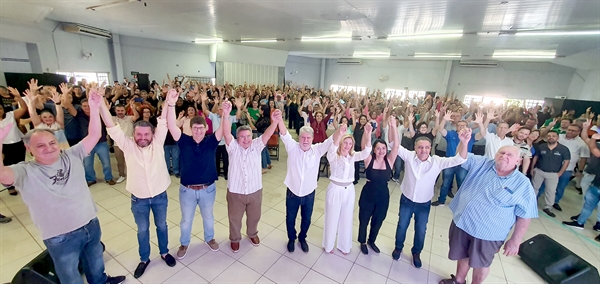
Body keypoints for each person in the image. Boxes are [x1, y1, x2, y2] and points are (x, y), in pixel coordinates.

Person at [0, 87, 125, 284]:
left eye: (51, 143)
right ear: (29, 148)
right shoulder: (25, 171)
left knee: (94, 262)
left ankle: (100, 281)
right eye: (41, 146)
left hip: (89, 223)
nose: (49, 148)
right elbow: (3, 175)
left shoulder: (71, 154)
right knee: (70, 275)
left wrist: (94, 107)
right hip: (60, 236)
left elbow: (93, 135)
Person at [99, 90, 177, 279]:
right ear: (133, 135)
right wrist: (100, 102)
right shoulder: (127, 145)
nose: (142, 137)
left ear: (152, 134)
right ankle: (144, 259)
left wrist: (168, 102)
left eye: (146, 134)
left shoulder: (158, 142)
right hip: (138, 199)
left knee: (162, 226)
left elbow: (164, 120)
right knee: (142, 229)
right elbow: (110, 126)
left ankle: (164, 252)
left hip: (160, 195)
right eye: (139, 134)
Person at [439, 145, 538, 284]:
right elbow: (461, 158)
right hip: (463, 223)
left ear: (518, 161)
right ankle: (459, 280)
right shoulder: (483, 163)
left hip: (488, 234)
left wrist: (515, 241)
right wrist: (464, 142)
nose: (504, 156)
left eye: (509, 155)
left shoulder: (523, 184)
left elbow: (525, 215)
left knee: (481, 263)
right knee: (463, 254)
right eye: (502, 152)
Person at [392, 127, 470, 268]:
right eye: (420, 147)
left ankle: (416, 252)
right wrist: (392, 126)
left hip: (424, 204)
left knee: (421, 230)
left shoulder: (437, 161)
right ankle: (398, 247)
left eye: (427, 147)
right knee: (402, 226)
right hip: (406, 200)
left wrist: (464, 143)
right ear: (415, 147)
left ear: (430, 148)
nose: (423, 150)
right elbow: (394, 145)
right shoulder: (409, 156)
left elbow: (460, 159)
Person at [166, 91, 226, 259]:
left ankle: (210, 238)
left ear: (206, 128)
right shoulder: (184, 140)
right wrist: (171, 105)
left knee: (208, 216)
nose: (198, 130)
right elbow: (171, 126)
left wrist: (226, 114)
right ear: (190, 129)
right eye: (195, 128)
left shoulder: (211, 141)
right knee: (186, 220)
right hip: (187, 190)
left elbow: (223, 129)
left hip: (208, 189)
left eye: (201, 128)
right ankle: (184, 243)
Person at [222, 106, 280, 253]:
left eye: (248, 136)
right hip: (236, 191)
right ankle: (235, 239)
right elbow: (227, 133)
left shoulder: (256, 145)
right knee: (234, 219)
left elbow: (267, 135)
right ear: (237, 138)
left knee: (254, 216)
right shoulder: (233, 147)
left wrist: (274, 123)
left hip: (255, 190)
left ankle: (252, 233)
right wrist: (226, 115)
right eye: (242, 137)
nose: (246, 139)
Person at [277, 118, 333, 253]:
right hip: (292, 191)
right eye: (303, 137)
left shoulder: (317, 150)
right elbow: (284, 133)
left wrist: (341, 131)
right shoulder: (292, 147)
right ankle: (291, 238)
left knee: (306, 219)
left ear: (313, 139)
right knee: (290, 218)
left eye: (308, 138)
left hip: (309, 192)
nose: (306, 140)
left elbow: (330, 141)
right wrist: (279, 119)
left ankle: (302, 238)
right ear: (299, 138)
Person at [323, 123, 372, 255]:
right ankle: (328, 245)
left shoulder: (353, 156)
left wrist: (368, 135)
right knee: (332, 218)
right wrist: (339, 133)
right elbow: (333, 147)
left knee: (346, 218)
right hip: (335, 189)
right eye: (345, 143)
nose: (348, 146)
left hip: (349, 190)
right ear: (341, 143)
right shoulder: (333, 156)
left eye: (350, 143)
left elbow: (366, 152)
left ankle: (344, 246)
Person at [358, 118, 400, 255]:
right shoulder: (369, 159)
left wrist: (393, 127)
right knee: (364, 219)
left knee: (378, 220)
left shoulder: (390, 160)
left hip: (383, 196)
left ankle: (372, 240)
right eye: (378, 148)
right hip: (368, 194)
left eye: (383, 148)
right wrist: (368, 133)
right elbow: (365, 147)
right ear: (374, 150)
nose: (381, 151)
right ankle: (363, 241)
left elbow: (396, 147)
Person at [432, 113, 478, 206]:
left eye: (463, 125)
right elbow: (440, 129)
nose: (461, 127)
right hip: (450, 162)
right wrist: (444, 119)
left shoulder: (471, 136)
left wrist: (481, 123)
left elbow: (483, 134)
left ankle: (460, 203)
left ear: (467, 127)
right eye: (459, 125)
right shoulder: (451, 134)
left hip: (464, 164)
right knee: (445, 182)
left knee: (462, 183)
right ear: (456, 127)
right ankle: (441, 200)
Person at [562, 131, 600, 232]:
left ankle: (582, 223)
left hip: (596, 184)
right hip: (596, 184)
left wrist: (594, 138)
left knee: (589, 205)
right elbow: (594, 149)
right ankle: (580, 222)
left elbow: (594, 149)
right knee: (588, 205)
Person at [530, 130, 571, 217]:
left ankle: (548, 207)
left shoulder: (564, 149)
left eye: (553, 136)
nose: (551, 137)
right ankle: (531, 204)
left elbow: (566, 162)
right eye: (549, 136)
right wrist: (532, 168)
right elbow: (535, 158)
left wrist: (560, 173)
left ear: (557, 138)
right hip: (539, 171)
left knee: (551, 191)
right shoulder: (542, 147)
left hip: (553, 174)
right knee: (534, 188)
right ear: (546, 137)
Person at [77, 98, 116, 186]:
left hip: (101, 142)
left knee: (106, 162)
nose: (87, 108)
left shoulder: (99, 114)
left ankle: (109, 178)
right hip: (87, 144)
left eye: (89, 106)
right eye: (84, 106)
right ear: (81, 107)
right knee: (88, 163)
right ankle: (90, 179)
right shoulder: (79, 115)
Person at [0, 86, 27, 196]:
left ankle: (20, 183)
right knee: (6, 166)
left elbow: (24, 108)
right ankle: (9, 186)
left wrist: (18, 97)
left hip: (17, 143)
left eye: (0, 109)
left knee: (19, 164)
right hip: (3, 146)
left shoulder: (11, 115)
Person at [111, 101, 139, 184]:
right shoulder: (113, 119)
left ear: (125, 111)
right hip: (117, 144)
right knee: (120, 161)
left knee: (131, 161)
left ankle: (133, 176)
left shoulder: (129, 118)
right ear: (115, 111)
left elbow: (136, 116)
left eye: (122, 110)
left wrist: (133, 108)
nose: (120, 112)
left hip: (130, 144)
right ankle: (122, 175)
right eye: (118, 110)